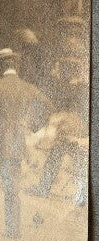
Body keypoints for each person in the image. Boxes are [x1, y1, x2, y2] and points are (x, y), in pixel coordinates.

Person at [0, 48, 52, 238]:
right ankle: (13, 231)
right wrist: (31, 125)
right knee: (12, 187)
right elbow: (48, 105)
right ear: (14, 65)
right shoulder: (28, 87)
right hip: (15, 141)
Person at [29, 58, 88, 207]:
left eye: (64, 68)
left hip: (72, 126)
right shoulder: (79, 85)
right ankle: (82, 196)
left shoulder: (77, 87)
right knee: (73, 162)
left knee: (70, 161)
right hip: (72, 127)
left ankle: (44, 189)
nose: (61, 71)